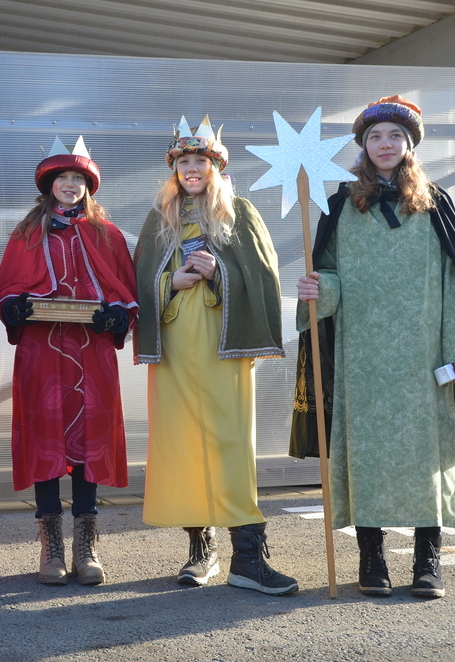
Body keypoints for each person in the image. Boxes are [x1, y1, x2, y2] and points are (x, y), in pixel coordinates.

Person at [294, 95, 455, 599]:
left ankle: (428, 559)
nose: (384, 144)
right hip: (361, 357)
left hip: (422, 356)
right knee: (366, 453)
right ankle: (372, 557)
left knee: (425, 455)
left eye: (394, 136)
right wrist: (317, 289)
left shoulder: (433, 202)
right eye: (375, 137)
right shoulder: (341, 204)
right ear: (363, 145)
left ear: (409, 144)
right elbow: (330, 274)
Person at [133, 116, 297, 595]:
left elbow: (263, 278)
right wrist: (172, 280)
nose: (191, 168)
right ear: (174, 167)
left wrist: (218, 271)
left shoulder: (239, 213)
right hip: (174, 348)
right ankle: (200, 550)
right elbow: (138, 281)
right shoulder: (159, 218)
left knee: (230, 444)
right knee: (182, 443)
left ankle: (247, 557)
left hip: (224, 347)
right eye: (183, 160)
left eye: (200, 161)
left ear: (216, 167)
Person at [0, 136, 138, 586]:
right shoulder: (26, 233)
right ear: (49, 184)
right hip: (42, 353)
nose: (70, 185)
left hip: (92, 352)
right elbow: (5, 288)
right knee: (46, 439)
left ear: (88, 185)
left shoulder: (108, 234)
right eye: (62, 178)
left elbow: (126, 290)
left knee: (90, 439)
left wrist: (117, 315)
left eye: (78, 178)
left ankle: (85, 544)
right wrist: (14, 307)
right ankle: (50, 544)